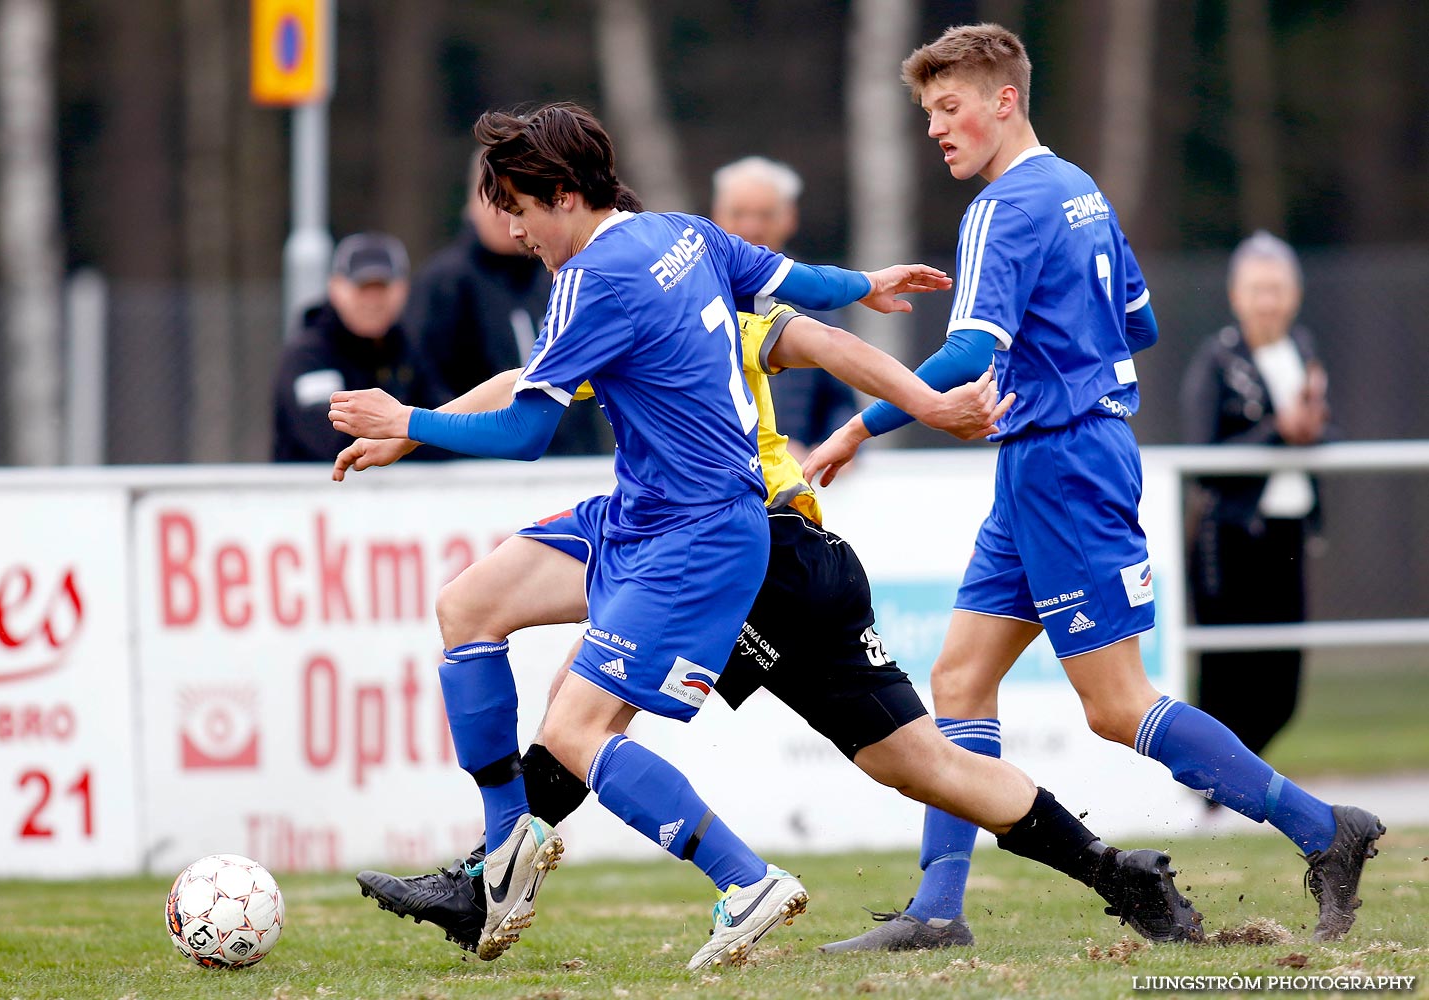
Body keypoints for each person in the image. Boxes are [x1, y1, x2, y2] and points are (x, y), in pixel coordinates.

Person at [341, 304, 1203, 964]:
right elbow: (532, 380)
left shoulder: (688, 310)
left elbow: (824, 341)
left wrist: (920, 404)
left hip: (759, 558)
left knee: (586, 714)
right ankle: (1117, 874)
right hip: (754, 550)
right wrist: (414, 427)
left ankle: (551, 881)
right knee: (916, 762)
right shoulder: (642, 308)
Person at [326, 101, 968, 969]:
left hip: (697, 536)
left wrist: (409, 415)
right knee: (466, 607)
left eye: (517, 208)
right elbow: (796, 283)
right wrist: (868, 284)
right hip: (639, 514)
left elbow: (524, 432)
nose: (514, 232)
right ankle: (506, 852)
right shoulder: (681, 234)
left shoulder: (593, 281)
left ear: (559, 195)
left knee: (581, 733)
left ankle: (747, 883)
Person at [803, 23, 1382, 952]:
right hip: (1044, 461)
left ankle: (1327, 830)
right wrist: (1059, 359)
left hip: (1066, 465)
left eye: (949, 109)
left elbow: (965, 353)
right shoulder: (1082, 190)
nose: (937, 131)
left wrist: (855, 427)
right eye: (927, 116)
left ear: (1006, 100)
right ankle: (937, 912)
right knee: (958, 678)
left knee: (1115, 706)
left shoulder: (1003, 207)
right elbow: (1139, 323)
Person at [1181, 231, 1330, 762]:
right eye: (1257, 288)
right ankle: (1211, 788)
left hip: (1288, 532)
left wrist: (1311, 429)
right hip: (1231, 537)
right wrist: (1277, 431)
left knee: (1283, 682)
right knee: (1227, 674)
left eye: (1278, 288)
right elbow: (1202, 458)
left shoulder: (1303, 349)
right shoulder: (1218, 360)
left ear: (1295, 293)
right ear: (1235, 295)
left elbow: (1310, 436)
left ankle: (1243, 780)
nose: (1268, 301)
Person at [405, 154, 612, 456]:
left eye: (516, 206)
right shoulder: (442, 284)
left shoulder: (565, 274)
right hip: (479, 470)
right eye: (496, 202)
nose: (508, 219)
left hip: (569, 466)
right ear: (471, 204)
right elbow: (425, 382)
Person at [711, 156, 858, 461]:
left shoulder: (815, 296)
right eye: (739, 213)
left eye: (764, 215)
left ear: (789, 218)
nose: (751, 226)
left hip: (796, 476)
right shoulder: (689, 289)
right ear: (716, 216)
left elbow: (840, 400)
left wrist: (837, 446)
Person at [272, 233, 444, 462]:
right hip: (317, 494)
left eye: (382, 287)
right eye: (362, 287)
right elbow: (332, 442)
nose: (373, 300)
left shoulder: (411, 349)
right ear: (336, 289)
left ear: (403, 289)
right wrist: (412, 434)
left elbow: (444, 426)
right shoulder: (308, 356)